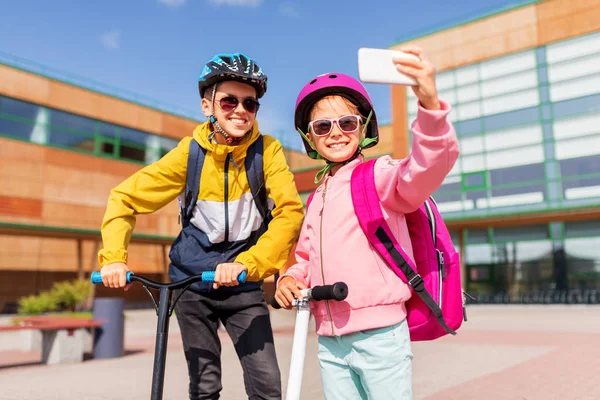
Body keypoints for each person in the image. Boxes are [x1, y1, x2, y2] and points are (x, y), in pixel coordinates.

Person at [97, 53, 304, 400]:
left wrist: (246, 265)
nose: (240, 110)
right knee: (205, 386)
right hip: (191, 283)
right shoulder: (188, 154)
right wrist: (114, 259)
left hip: (242, 281)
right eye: (229, 101)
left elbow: (289, 213)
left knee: (267, 387)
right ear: (208, 106)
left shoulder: (267, 152)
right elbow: (124, 198)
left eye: (250, 103)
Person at [274, 46, 460, 399]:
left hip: (381, 335)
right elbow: (305, 259)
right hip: (329, 339)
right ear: (310, 138)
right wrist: (289, 279)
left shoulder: (378, 177)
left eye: (347, 122)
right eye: (322, 126)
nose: (336, 132)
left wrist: (430, 108)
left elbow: (426, 168)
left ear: (363, 128)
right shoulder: (317, 199)